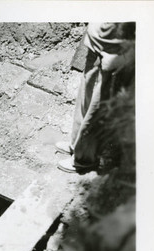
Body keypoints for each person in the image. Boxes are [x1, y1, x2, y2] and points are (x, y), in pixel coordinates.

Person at [56, 22, 135, 173]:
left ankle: (85, 158)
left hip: (114, 53)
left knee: (97, 107)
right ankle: (75, 145)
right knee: (85, 97)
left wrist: (127, 56)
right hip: (97, 42)